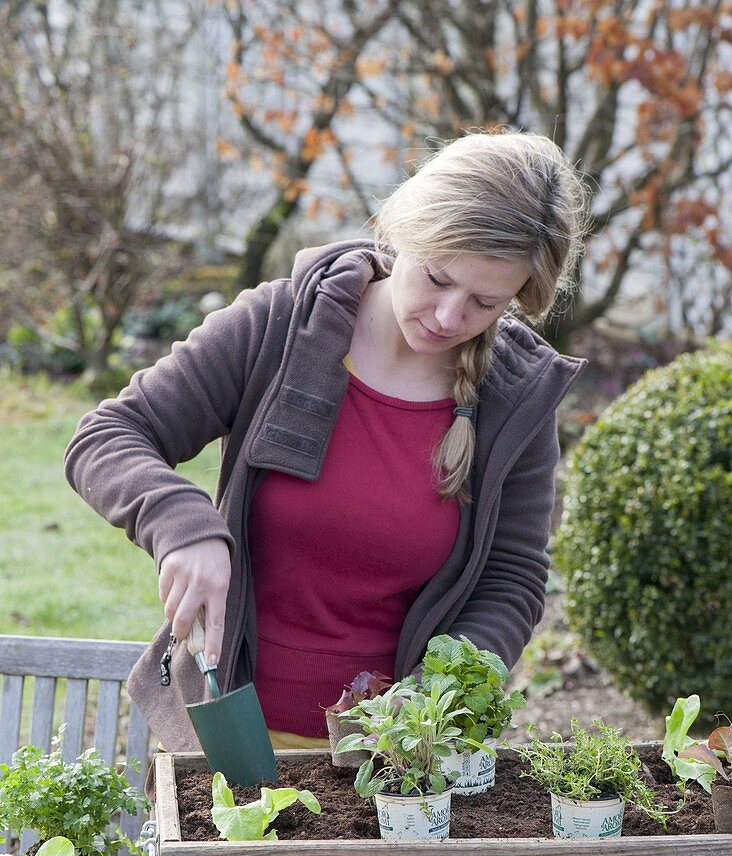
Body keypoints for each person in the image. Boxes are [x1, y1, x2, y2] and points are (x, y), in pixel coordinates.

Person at [64, 129, 590, 758]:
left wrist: (432, 706)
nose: (449, 317)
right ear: (402, 232)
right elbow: (107, 437)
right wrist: (182, 525)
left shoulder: (516, 398)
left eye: (486, 302)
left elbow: (511, 578)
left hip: (393, 761)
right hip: (228, 733)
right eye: (437, 277)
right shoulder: (279, 327)